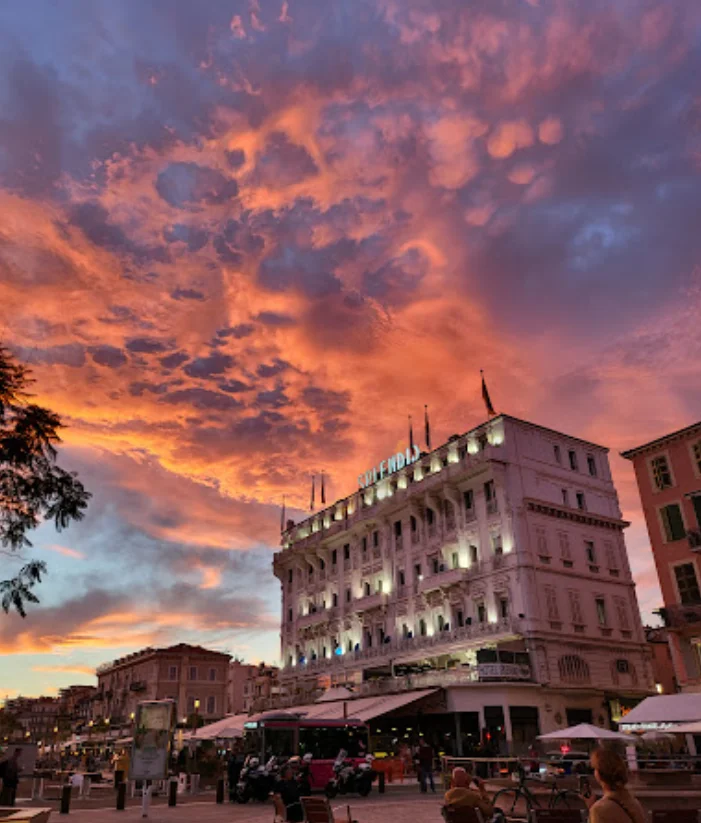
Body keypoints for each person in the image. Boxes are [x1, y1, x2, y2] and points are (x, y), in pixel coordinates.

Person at [585, 748, 646, 823]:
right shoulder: (634, 803)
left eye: (594, 769)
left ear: (598, 775)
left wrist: (592, 810)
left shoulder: (599, 810)